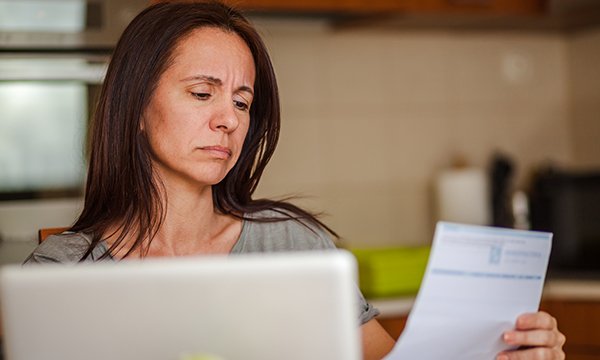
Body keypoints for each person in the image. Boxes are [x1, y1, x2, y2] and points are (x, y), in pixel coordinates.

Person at [24, 1, 565, 359]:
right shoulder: (61, 271)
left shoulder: (291, 242)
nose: (229, 119)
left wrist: (500, 352)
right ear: (136, 106)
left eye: (242, 101)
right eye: (201, 92)